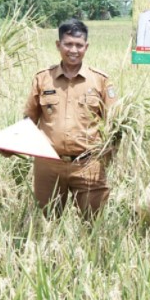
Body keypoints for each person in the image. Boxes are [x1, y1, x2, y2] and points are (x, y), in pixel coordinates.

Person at [21, 19, 116, 219]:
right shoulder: (43, 78)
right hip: (48, 164)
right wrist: (9, 144)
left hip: (88, 165)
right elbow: (28, 121)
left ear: (86, 47)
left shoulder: (100, 80)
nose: (74, 50)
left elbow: (114, 124)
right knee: (46, 224)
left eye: (79, 45)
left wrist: (107, 157)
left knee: (94, 225)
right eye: (68, 44)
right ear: (58, 45)